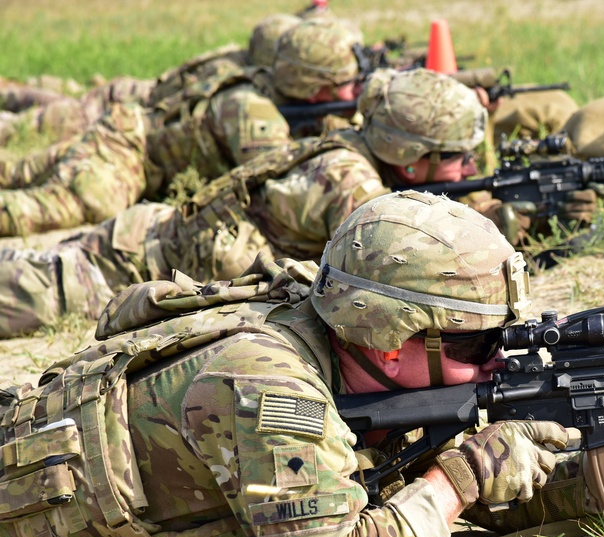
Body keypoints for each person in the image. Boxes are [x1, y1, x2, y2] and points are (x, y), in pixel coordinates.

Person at [0, 188, 604, 537]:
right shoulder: (269, 383)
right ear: (384, 336)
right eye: (476, 342)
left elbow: (495, 493)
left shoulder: (353, 354)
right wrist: (462, 476)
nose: (496, 358)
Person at [0, 67, 489, 339]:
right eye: (459, 157)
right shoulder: (350, 184)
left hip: (148, 239)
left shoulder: (349, 149)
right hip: (120, 270)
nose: (469, 168)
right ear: (407, 159)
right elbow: (405, 277)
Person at [0, 15, 365, 238]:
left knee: (16, 172)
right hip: (128, 155)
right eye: (346, 82)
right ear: (314, 86)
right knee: (47, 208)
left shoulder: (277, 93)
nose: (354, 89)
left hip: (127, 134)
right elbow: (278, 184)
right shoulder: (254, 112)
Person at [0, 13, 303, 147]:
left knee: (49, 104)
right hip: (128, 107)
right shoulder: (233, 78)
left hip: (132, 95)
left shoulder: (232, 58)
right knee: (25, 126)